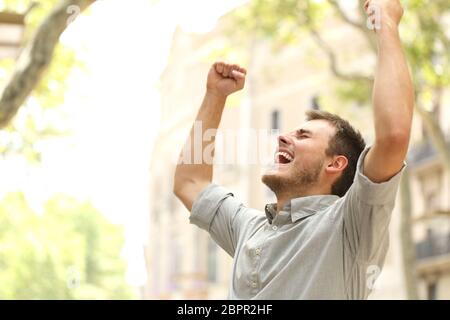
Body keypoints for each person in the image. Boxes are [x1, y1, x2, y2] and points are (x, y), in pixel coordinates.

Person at [173, 0, 414, 299]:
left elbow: (394, 136)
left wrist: (387, 23)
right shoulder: (249, 228)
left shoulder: (350, 226)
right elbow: (189, 183)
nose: (283, 138)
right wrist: (215, 96)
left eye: (302, 135)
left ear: (335, 164)